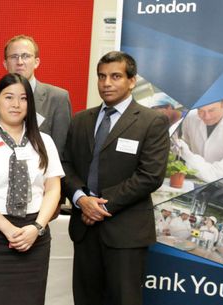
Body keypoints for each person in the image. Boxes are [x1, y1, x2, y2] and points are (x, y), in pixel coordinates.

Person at [62, 51, 169, 305]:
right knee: (86, 299)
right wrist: (81, 199)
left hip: (126, 233)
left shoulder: (151, 121)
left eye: (115, 76)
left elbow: (150, 175)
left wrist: (100, 205)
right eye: (101, 76)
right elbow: (65, 165)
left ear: (131, 81)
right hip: (85, 230)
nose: (106, 83)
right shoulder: (80, 120)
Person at [0, 73, 63, 305]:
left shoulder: (45, 142)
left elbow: (53, 188)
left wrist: (36, 227)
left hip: (34, 237)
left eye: (23, 98)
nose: (16, 105)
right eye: (9, 97)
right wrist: (8, 229)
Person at [0, 35, 72, 150]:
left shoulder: (58, 98)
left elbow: (60, 150)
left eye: (26, 56)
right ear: (5, 64)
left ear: (36, 62)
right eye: (14, 57)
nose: (20, 62)